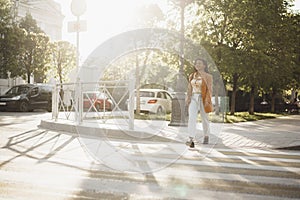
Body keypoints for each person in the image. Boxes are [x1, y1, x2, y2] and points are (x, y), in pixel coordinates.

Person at [185, 58, 213, 148]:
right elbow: (189, 88)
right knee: (192, 118)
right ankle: (191, 138)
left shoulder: (208, 76)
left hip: (203, 98)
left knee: (204, 118)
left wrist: (208, 100)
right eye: (196, 63)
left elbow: (210, 89)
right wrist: (188, 97)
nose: (197, 65)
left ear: (204, 65)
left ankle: (206, 135)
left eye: (200, 63)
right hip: (193, 97)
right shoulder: (192, 75)